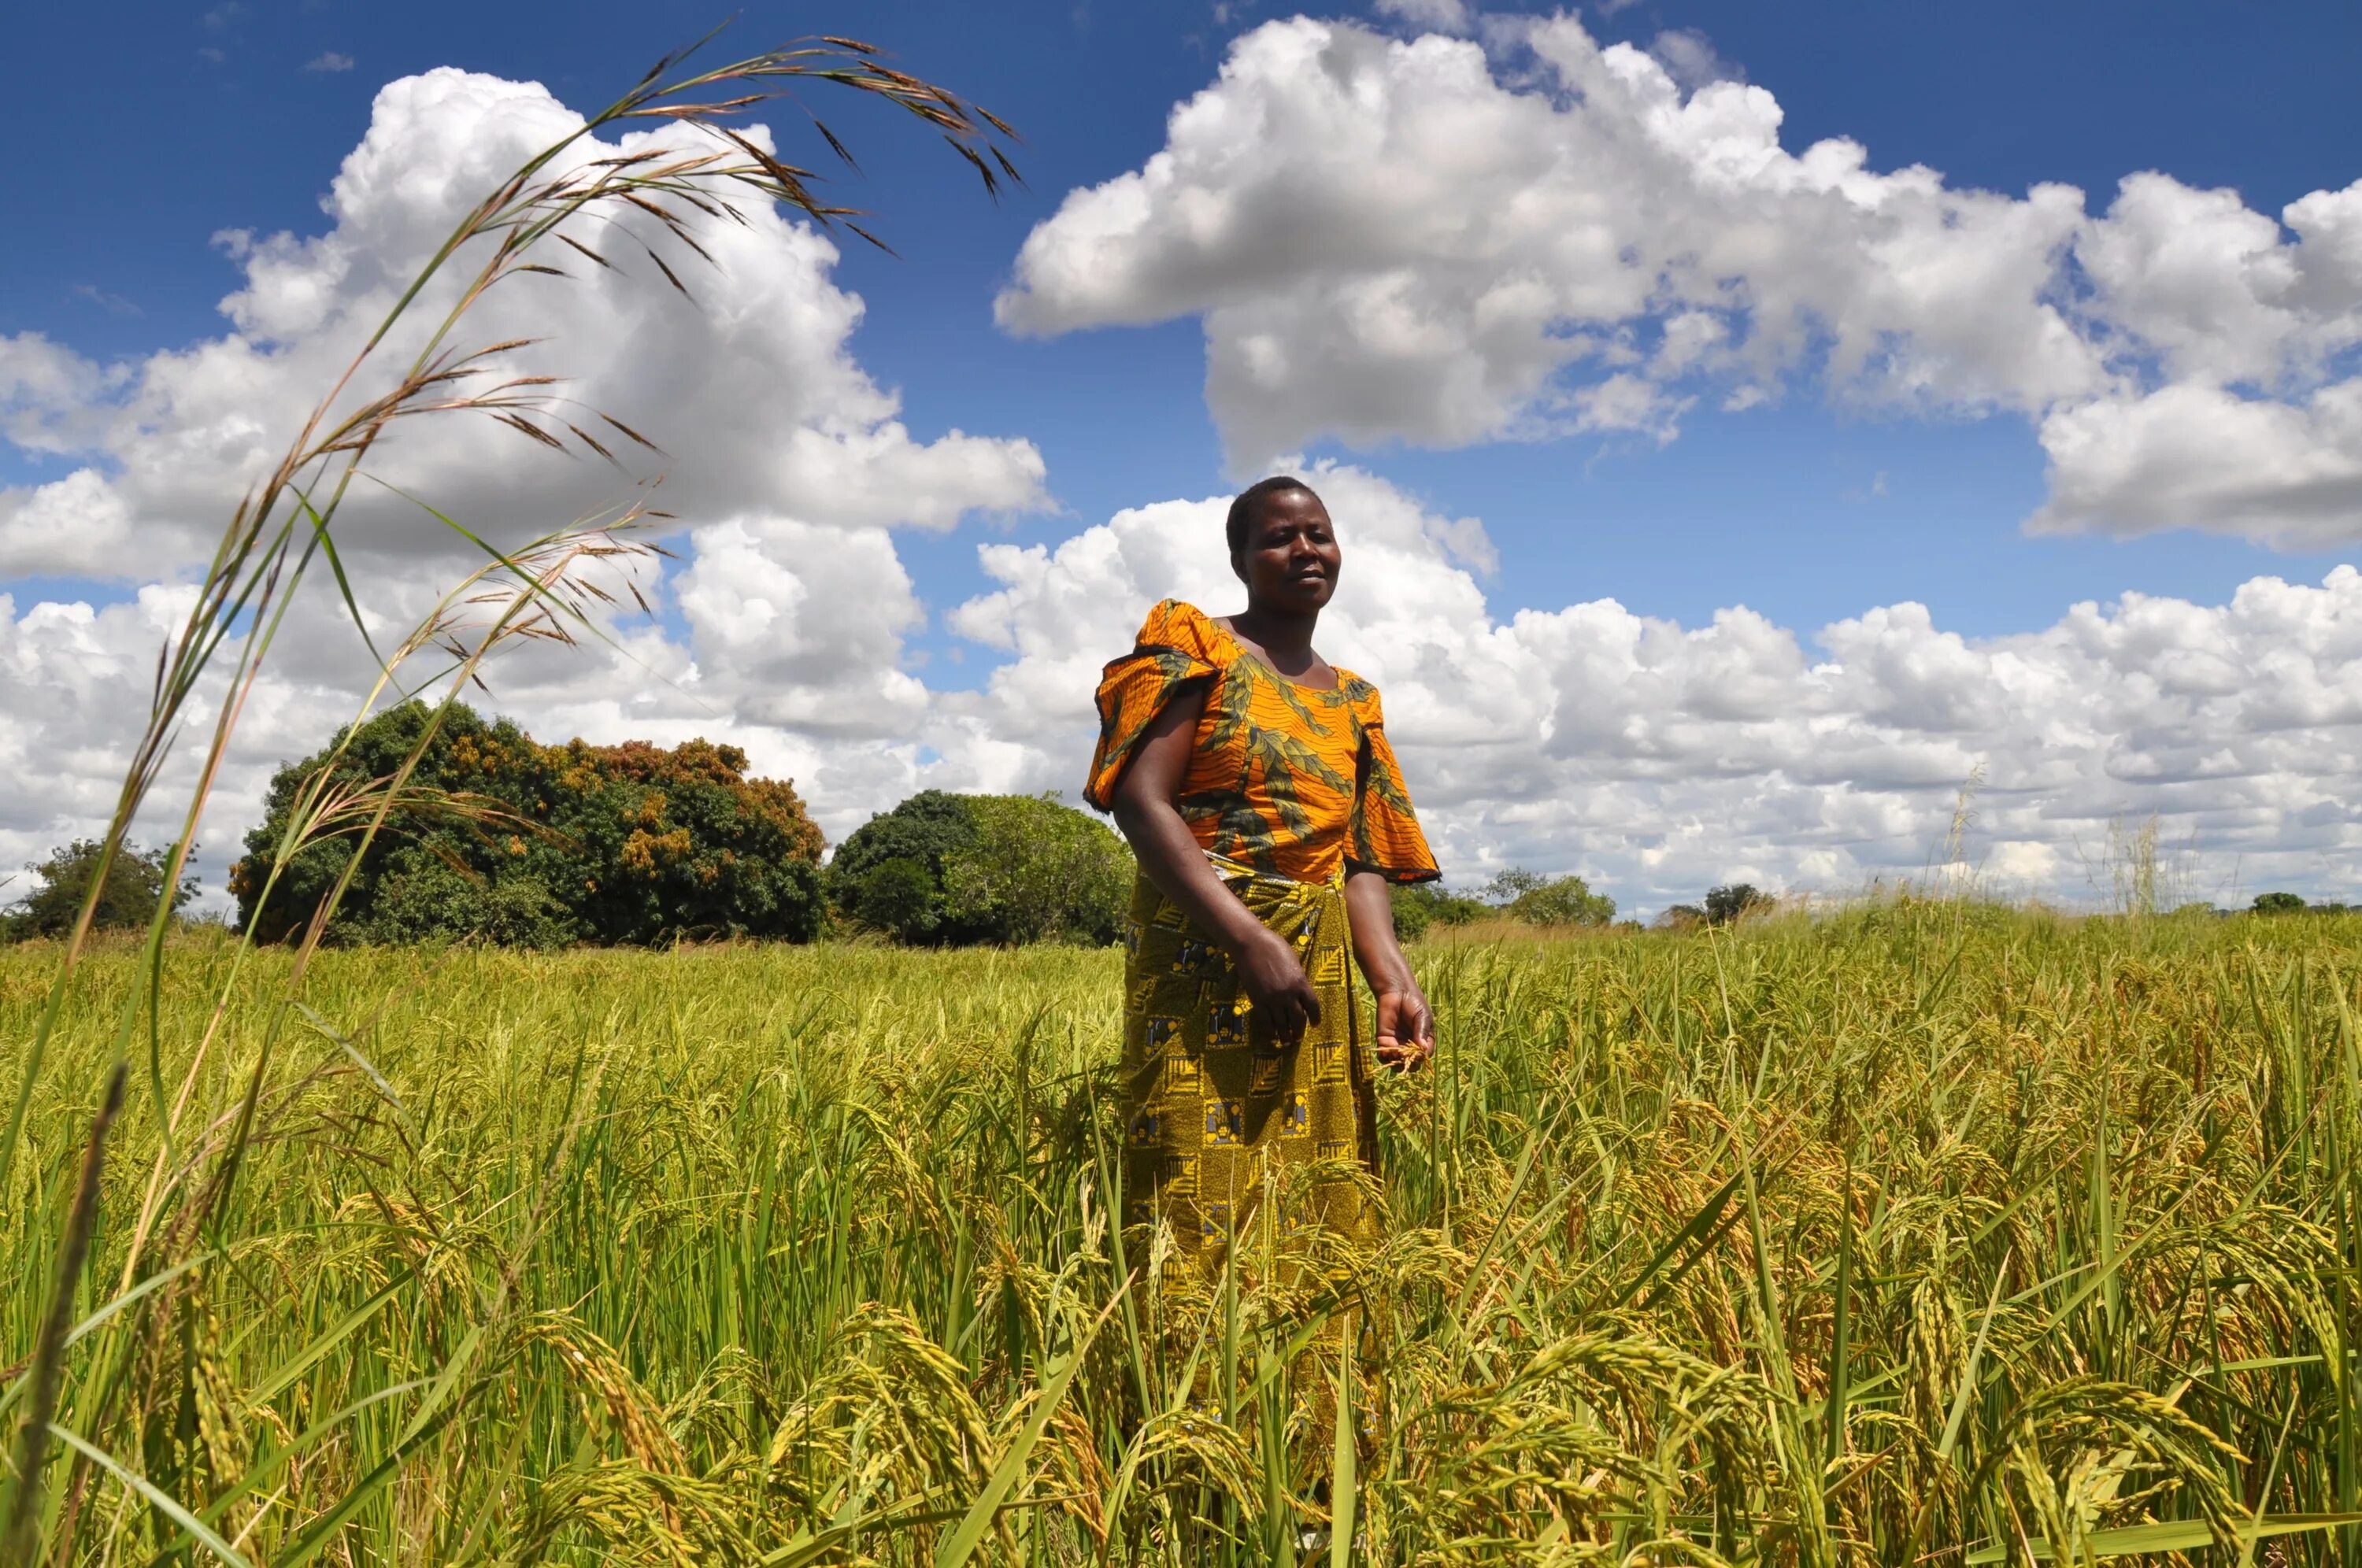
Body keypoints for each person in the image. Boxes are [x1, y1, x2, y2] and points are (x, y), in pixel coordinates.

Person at [1084, 475, 1440, 1282]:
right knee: (1190, 1187)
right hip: (1205, 945)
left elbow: (1359, 858)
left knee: (1321, 1196)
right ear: (1242, 560)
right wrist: (1249, 940)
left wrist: (1390, 978)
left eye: (1319, 532)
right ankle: (1183, 1389)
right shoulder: (1196, 647)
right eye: (1279, 537)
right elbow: (1143, 804)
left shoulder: (1355, 700)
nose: (1305, 549)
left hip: (1313, 963)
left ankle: (1319, 1399)